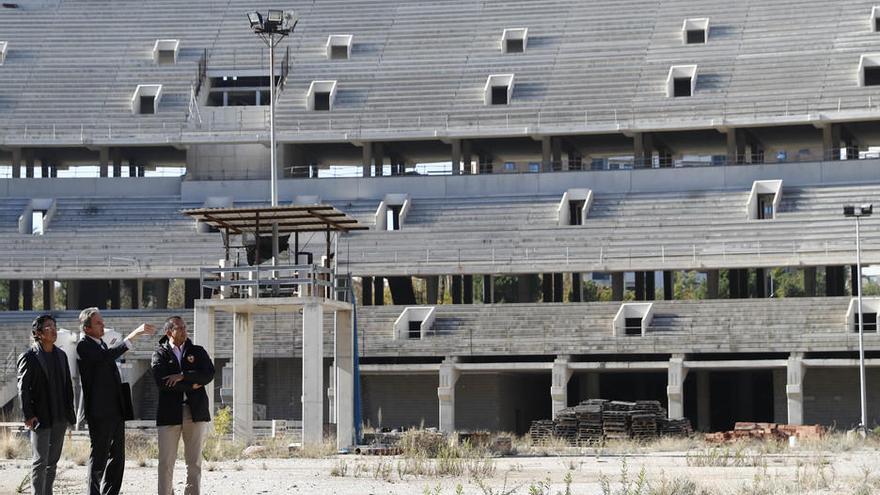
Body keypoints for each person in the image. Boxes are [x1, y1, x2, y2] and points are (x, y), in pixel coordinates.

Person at [76, 307, 155, 495]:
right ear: (86, 328)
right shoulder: (84, 346)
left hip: (116, 410)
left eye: (102, 322)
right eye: (98, 323)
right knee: (99, 456)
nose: (103, 325)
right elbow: (105, 358)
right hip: (100, 412)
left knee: (117, 457)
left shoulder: (101, 344)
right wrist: (133, 335)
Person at [151, 316, 215, 495]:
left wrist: (182, 376)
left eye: (185, 327)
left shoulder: (198, 351)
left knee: (194, 462)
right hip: (169, 413)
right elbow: (162, 382)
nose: (184, 331)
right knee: (165, 462)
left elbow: (208, 374)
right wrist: (193, 384)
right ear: (169, 332)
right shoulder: (159, 354)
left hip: (194, 411)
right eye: (179, 328)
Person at [17, 314, 76, 495]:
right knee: (40, 462)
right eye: (48, 326)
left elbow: (67, 385)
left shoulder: (62, 355)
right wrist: (28, 415)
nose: (54, 329)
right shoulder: (29, 357)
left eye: (54, 326)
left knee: (52, 463)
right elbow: (23, 388)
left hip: (60, 417)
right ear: (38, 333)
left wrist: (69, 414)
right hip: (40, 417)